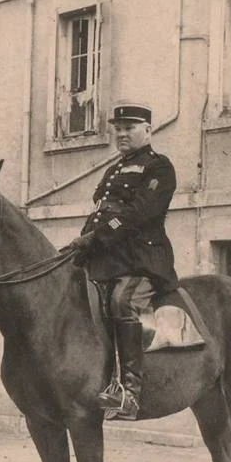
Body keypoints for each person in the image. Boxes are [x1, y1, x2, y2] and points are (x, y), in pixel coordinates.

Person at [65, 101, 179, 420]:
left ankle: (129, 392)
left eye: (129, 128)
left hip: (142, 257)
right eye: (118, 129)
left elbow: (134, 216)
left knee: (122, 302)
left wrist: (97, 237)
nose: (122, 134)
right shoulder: (113, 170)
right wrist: (82, 242)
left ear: (147, 130)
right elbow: (101, 214)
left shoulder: (159, 167)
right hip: (107, 258)